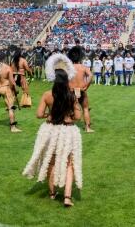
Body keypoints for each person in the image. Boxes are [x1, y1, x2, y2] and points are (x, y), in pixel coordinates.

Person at [22, 53, 82, 207]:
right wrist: (68, 117)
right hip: (68, 132)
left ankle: (52, 193)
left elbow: (39, 114)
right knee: (69, 164)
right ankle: (67, 197)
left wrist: (50, 115)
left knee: (51, 163)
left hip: (51, 131)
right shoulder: (72, 96)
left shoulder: (47, 95)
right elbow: (78, 116)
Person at [68, 46, 94, 133]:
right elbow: (90, 75)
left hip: (71, 91)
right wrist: (86, 86)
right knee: (85, 109)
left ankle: (69, 126)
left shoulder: (68, 68)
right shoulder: (83, 67)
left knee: (69, 109)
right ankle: (87, 128)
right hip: (82, 90)